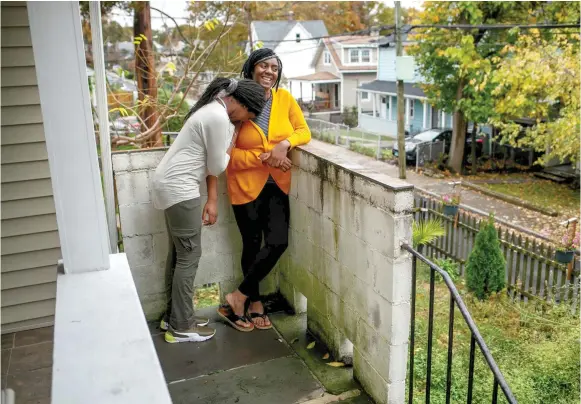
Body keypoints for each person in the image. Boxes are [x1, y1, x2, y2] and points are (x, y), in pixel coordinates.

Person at [152, 77, 266, 343]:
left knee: (180, 254)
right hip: (180, 188)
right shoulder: (217, 117)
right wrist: (233, 137)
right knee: (190, 255)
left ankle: (175, 316)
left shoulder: (212, 110)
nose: (244, 121)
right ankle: (181, 327)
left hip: (171, 185)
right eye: (247, 115)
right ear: (241, 104)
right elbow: (216, 167)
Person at [218, 48, 311, 332]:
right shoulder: (235, 101)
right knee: (251, 242)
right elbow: (225, 153)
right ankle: (254, 302)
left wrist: (284, 145)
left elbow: (304, 131)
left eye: (274, 67)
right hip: (244, 184)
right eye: (263, 65)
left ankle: (238, 296)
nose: (269, 71)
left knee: (278, 241)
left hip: (276, 184)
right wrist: (263, 156)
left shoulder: (284, 99)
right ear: (251, 68)